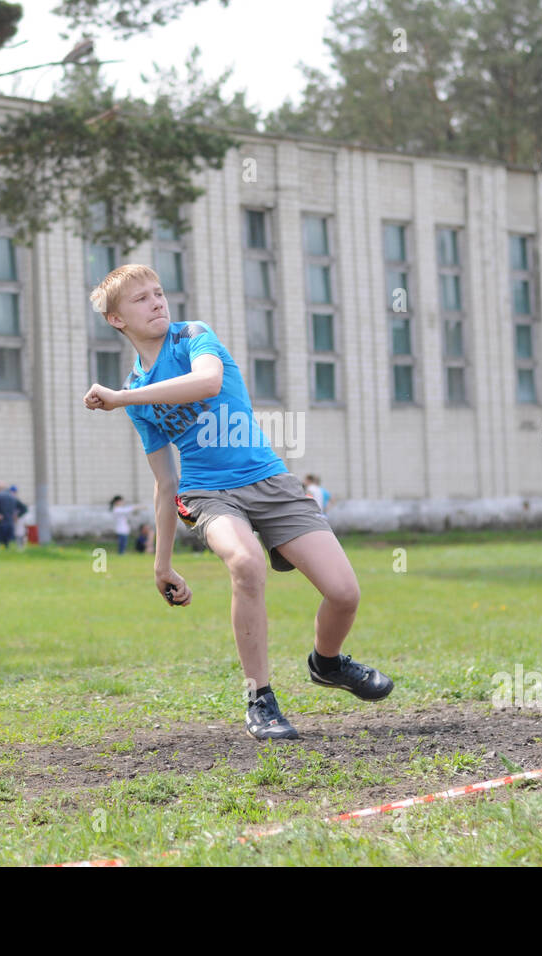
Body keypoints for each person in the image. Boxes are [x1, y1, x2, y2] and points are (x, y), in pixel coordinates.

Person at [83, 264, 393, 741]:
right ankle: (260, 699)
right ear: (116, 320)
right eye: (141, 299)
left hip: (269, 480)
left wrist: (123, 397)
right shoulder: (140, 396)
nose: (157, 302)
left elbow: (207, 382)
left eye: (159, 292)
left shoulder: (193, 337)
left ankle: (326, 663)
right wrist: (161, 565)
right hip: (207, 492)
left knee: (344, 593)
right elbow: (166, 485)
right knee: (247, 564)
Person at [0, 484, 27, 548]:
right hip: (10, 524)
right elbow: (24, 508)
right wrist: (17, 516)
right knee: (8, 543)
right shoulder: (12, 497)